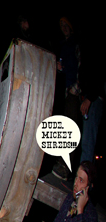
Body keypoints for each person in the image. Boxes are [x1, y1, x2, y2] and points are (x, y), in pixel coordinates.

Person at [52, 17, 82, 180]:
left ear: (71, 26)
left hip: (74, 91)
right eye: (61, 26)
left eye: (66, 25)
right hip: (64, 90)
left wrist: (76, 88)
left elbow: (82, 66)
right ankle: (61, 162)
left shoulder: (76, 43)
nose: (64, 28)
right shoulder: (62, 45)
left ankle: (66, 166)